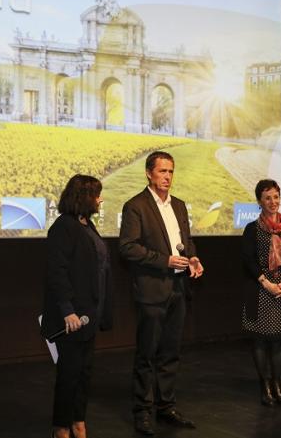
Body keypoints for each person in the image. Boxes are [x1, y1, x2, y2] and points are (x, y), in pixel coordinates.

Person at [119, 151, 204, 435]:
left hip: (179, 288)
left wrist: (193, 258)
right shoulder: (136, 206)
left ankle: (165, 406)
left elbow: (186, 242)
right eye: (162, 171)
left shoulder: (178, 205)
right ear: (148, 173)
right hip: (152, 290)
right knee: (147, 354)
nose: (167, 177)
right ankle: (142, 411)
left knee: (170, 353)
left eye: (171, 172)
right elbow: (128, 247)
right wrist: (164, 260)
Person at [41, 175, 113, 438]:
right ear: (83, 197)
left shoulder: (87, 225)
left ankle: (78, 421)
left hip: (90, 314)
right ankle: (61, 425)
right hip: (72, 317)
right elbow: (56, 272)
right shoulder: (63, 227)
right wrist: (67, 309)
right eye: (97, 194)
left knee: (84, 373)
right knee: (69, 373)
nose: (100, 199)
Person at [240, 179, 281, 407]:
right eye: (267, 198)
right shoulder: (252, 229)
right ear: (259, 201)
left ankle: (277, 384)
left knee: (278, 342)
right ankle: (264, 385)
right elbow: (248, 262)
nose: (273, 202)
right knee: (260, 341)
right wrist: (268, 285)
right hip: (261, 288)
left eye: (276, 196)